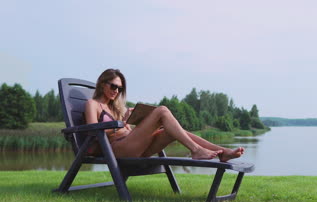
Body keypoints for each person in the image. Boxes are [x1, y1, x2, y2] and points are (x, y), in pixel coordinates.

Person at [84, 68, 244, 162]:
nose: (116, 91)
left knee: (173, 130)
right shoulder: (93, 104)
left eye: (119, 88)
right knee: (162, 110)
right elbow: (93, 133)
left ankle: (223, 152)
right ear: (102, 84)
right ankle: (197, 150)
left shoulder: (116, 107)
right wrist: (120, 123)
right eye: (113, 86)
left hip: (132, 145)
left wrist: (131, 122)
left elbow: (125, 131)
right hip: (117, 149)